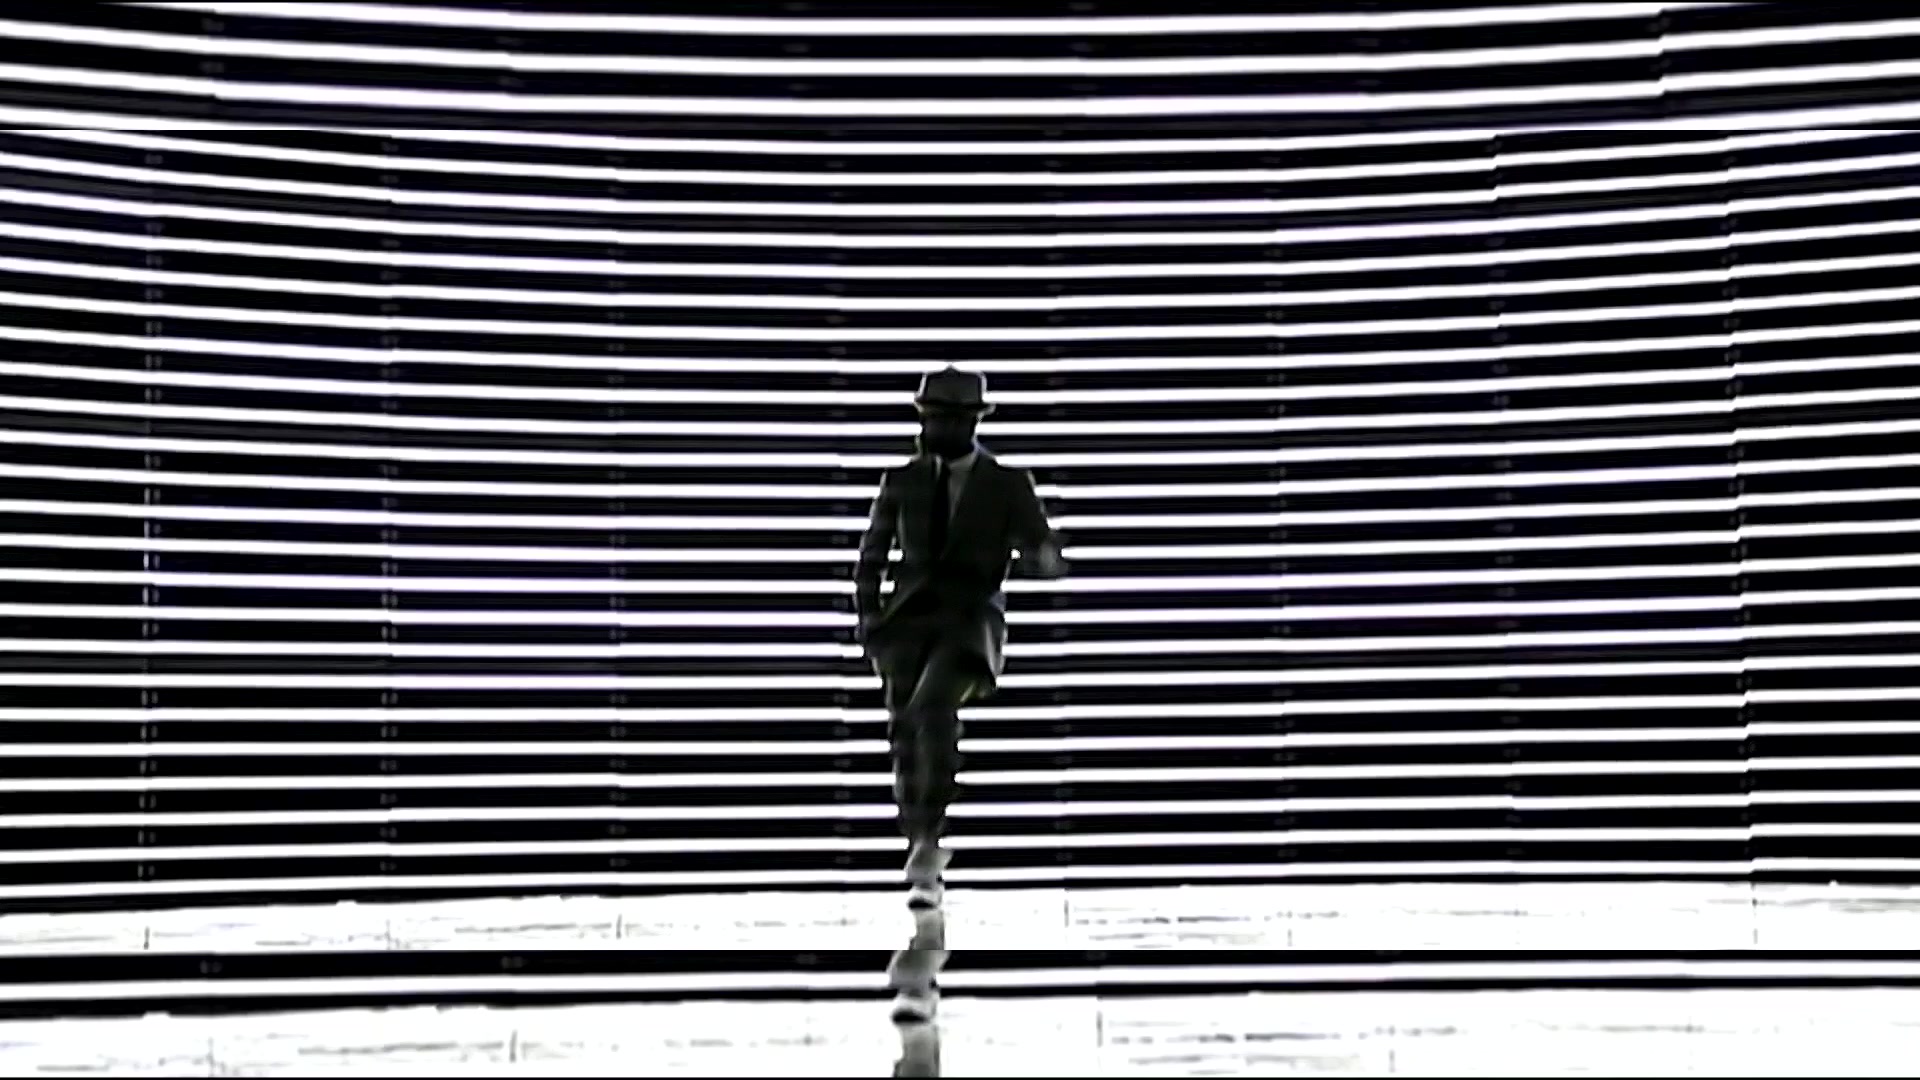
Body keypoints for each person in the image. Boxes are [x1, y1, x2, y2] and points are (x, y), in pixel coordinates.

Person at [854, 365, 1068, 911]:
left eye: (945, 418)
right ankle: (921, 841)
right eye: (929, 417)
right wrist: (870, 620)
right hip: (904, 627)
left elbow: (1041, 547)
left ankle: (931, 833)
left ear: (970, 422)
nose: (933, 428)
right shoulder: (901, 480)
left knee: (932, 712)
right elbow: (872, 554)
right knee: (906, 736)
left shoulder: (1006, 484)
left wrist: (1038, 558)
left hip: (968, 626)